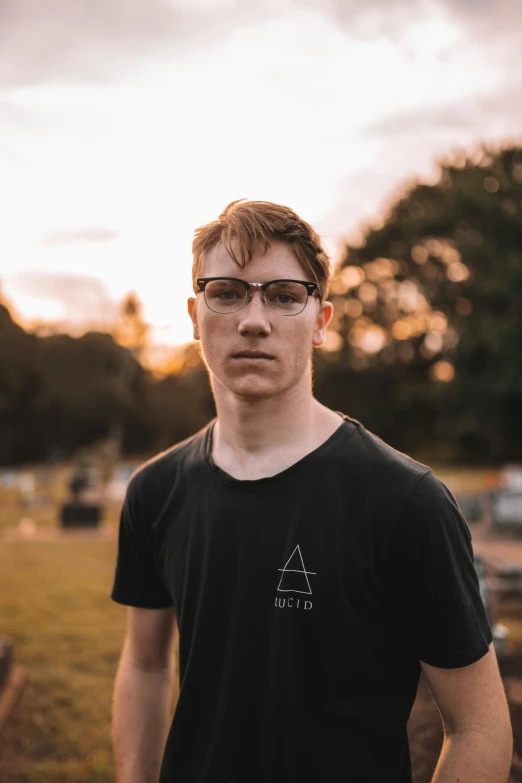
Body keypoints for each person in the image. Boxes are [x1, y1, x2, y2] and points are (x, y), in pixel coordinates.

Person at [110, 199, 512, 783]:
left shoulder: (406, 501)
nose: (253, 319)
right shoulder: (154, 490)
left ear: (320, 320)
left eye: (283, 295)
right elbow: (145, 667)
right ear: (195, 316)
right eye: (228, 292)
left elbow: (479, 725)